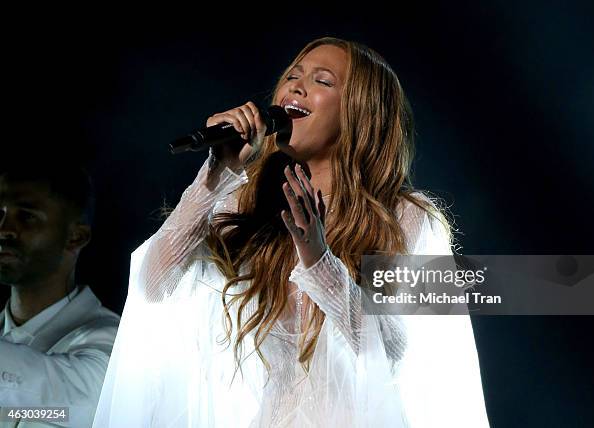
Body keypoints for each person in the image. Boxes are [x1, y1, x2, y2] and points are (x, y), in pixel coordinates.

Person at [94, 37, 490, 427]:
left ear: (361, 112)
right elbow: (154, 285)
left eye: (323, 81)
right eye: (293, 76)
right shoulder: (246, 204)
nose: (296, 86)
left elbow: (397, 354)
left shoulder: (406, 219)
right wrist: (216, 176)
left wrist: (320, 261)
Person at [0, 160, 120, 427]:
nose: (4, 229)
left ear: (76, 236)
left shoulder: (113, 343)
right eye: (0, 214)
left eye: (26, 216)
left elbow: (74, 407)